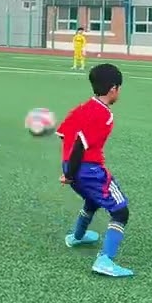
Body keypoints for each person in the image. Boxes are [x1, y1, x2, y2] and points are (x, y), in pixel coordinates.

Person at [57, 63, 133, 277]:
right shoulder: (104, 115)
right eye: (119, 88)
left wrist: (68, 169)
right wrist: (71, 174)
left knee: (92, 199)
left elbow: (65, 136)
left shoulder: (81, 108)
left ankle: (77, 236)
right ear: (113, 89)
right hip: (88, 169)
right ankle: (105, 260)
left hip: (71, 164)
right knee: (120, 211)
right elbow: (81, 145)